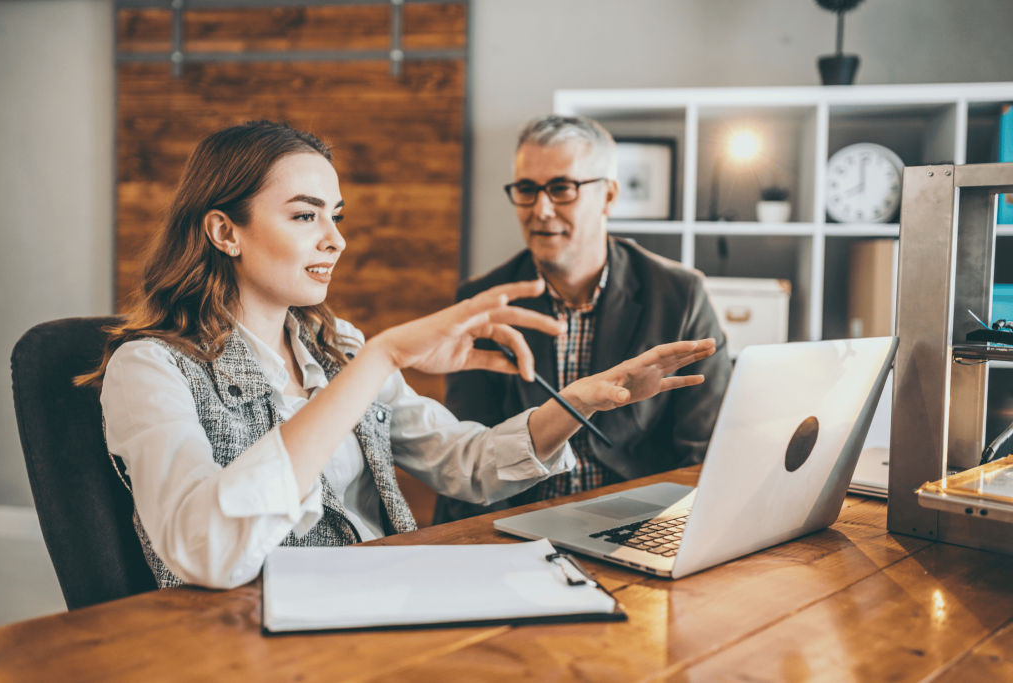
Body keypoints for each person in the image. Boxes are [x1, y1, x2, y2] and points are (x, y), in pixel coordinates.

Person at [76, 120, 716, 590]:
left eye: (337, 215)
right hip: (245, 638)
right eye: (305, 217)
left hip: (384, 599)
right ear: (224, 231)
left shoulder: (337, 345)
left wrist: (577, 402)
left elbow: (466, 463)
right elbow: (207, 552)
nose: (336, 239)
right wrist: (379, 361)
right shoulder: (150, 369)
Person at [434, 115, 732, 525]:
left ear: (608, 196)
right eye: (526, 189)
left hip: (639, 520)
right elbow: (467, 452)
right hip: (521, 523)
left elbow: (704, 453)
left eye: (562, 189)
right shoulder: (482, 300)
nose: (541, 209)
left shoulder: (681, 295)